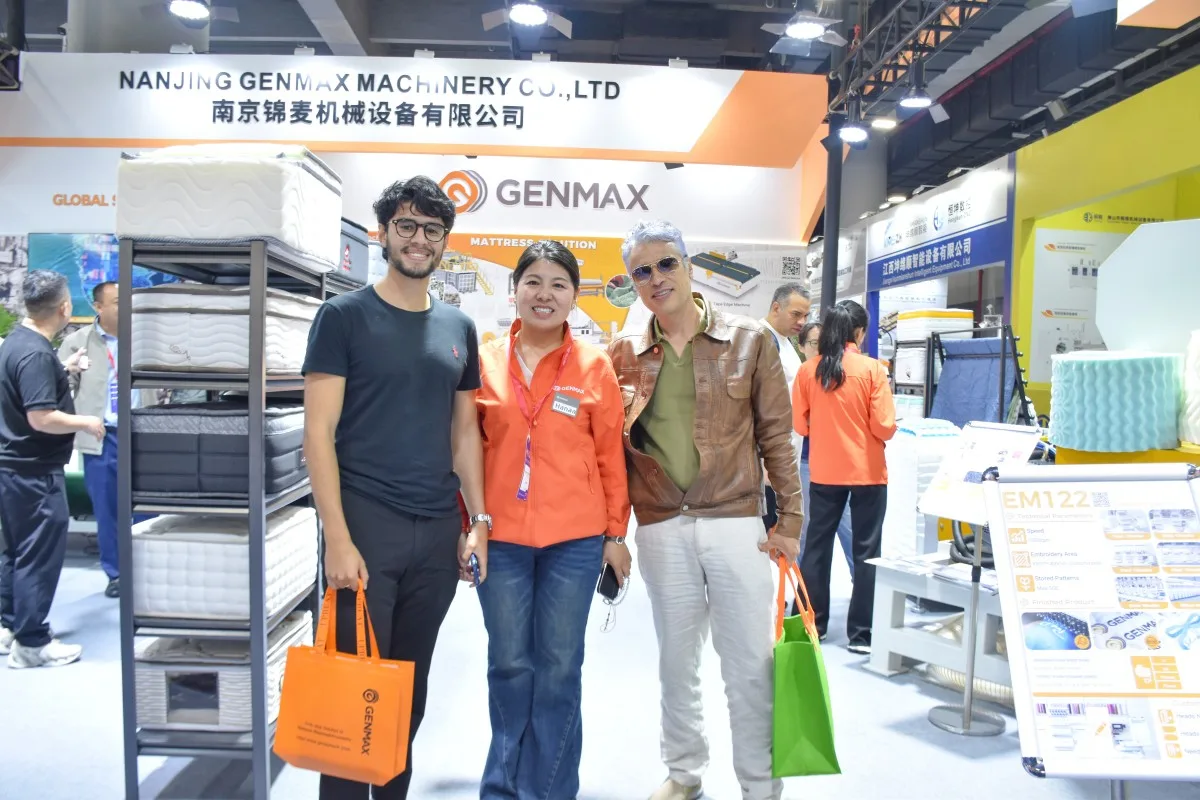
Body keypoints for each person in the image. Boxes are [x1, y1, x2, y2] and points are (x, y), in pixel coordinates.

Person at [302, 176, 489, 800]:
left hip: (435, 533)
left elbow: (465, 433)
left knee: (407, 695)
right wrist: (336, 538)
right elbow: (318, 434)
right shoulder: (342, 317)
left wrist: (478, 522)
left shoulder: (458, 326)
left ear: (445, 242)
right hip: (365, 529)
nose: (419, 239)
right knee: (352, 697)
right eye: (406, 226)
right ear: (382, 234)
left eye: (433, 230)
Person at [609, 220, 802, 800]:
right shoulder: (623, 355)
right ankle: (684, 773)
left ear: (689, 266)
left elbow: (777, 436)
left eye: (666, 263)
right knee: (676, 663)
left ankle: (760, 785)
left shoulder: (750, 339)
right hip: (661, 525)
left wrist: (790, 520)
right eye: (642, 271)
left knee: (749, 666)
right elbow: (611, 451)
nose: (656, 278)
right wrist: (613, 532)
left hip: (736, 522)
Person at [475, 240, 632, 799]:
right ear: (515, 289)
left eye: (558, 284)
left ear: (573, 296)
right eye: (533, 282)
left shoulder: (593, 365)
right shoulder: (485, 361)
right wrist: (468, 526)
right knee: (509, 665)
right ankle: (502, 787)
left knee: (560, 667)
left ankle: (550, 790)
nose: (545, 294)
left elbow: (611, 455)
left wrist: (616, 533)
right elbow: (466, 451)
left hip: (575, 542)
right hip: (502, 540)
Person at [0, 271, 105, 668]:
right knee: (38, 555)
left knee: (16, 550)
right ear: (64, 308)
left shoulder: (16, 343)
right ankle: (32, 643)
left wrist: (63, 369)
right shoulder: (36, 355)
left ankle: (9, 625)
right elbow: (41, 418)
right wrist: (86, 421)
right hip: (35, 473)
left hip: (12, 467)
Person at [792, 300, 897, 656]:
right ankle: (862, 634)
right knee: (866, 550)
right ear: (860, 332)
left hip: (824, 470)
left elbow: (799, 425)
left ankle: (812, 625)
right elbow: (884, 426)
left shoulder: (808, 371)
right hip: (868, 471)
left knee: (816, 547)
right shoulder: (873, 370)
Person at [58, 281, 151, 599]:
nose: (126, 307)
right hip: (102, 437)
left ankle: (148, 569)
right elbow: (60, 388)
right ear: (98, 307)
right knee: (108, 509)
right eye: (117, 301)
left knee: (148, 506)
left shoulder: (144, 339)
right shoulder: (78, 342)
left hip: (142, 433)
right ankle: (117, 574)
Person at [796, 322, 854, 581]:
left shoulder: (841, 374)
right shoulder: (801, 375)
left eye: (823, 342)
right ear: (801, 347)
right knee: (807, 530)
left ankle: (863, 588)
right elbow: (799, 424)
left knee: (849, 527)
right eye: (813, 343)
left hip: (842, 464)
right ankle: (803, 594)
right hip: (807, 461)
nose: (819, 348)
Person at [758, 284, 809, 534]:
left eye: (806, 316)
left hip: (785, 455)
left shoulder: (785, 342)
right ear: (776, 308)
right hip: (768, 462)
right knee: (764, 534)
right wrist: (764, 460)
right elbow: (754, 404)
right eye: (796, 314)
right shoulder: (761, 339)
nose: (802, 322)